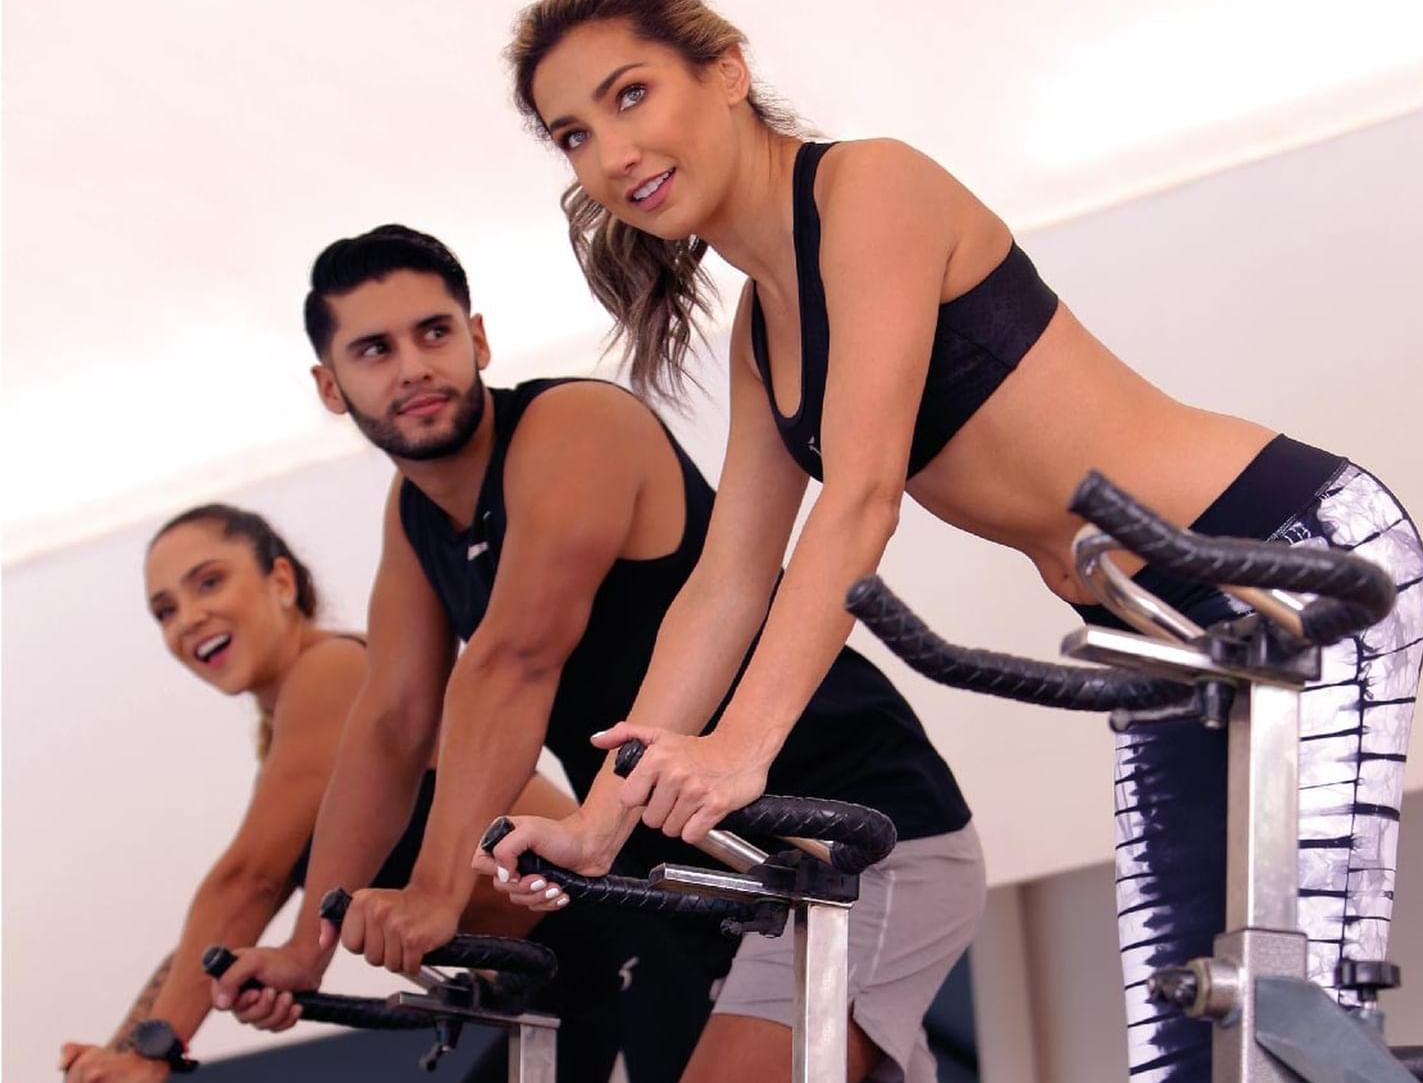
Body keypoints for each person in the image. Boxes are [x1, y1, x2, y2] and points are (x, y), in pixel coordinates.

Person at [502, 0, 1423, 1080]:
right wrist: (603, 824)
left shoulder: (871, 188)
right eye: (575, 134)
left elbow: (862, 498)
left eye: (631, 95)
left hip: (1286, 558)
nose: (613, 152)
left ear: (725, 70)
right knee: (1193, 1032)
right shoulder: (762, 328)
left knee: (1291, 1003)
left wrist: (741, 748)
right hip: (1159, 636)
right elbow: (726, 584)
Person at [212, 223, 981, 1083]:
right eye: (373, 348)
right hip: (698, 872)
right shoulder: (415, 513)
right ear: (331, 384)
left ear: (477, 338)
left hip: (851, 834)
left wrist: (434, 891)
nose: (412, 366)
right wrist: (304, 951)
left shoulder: (572, 426)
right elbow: (393, 724)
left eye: (433, 332)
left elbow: (513, 659)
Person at [57, 504, 575, 1083]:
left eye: (209, 582)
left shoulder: (329, 671)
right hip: (547, 983)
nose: (189, 618)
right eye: (165, 611)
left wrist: (149, 1053)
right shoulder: (288, 743)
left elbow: (251, 879)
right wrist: (122, 1053)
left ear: (281, 580)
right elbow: (214, 936)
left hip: (612, 934)